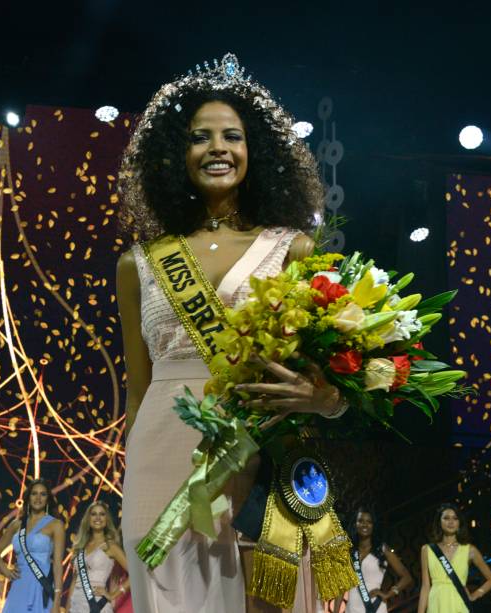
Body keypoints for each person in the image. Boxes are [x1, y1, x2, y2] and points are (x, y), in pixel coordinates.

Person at [117, 52, 347, 612]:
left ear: (256, 151)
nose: (218, 148)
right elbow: (137, 388)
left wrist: (326, 400)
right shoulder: (139, 264)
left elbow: (338, 381)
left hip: (259, 449)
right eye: (200, 136)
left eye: (233, 136)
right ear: (177, 154)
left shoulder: (294, 249)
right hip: (159, 458)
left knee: (275, 594)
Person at [0, 479, 64, 613]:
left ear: (48, 499)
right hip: (19, 584)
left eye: (43, 494)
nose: (38, 498)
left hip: (42, 586)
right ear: (28, 497)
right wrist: (6, 571)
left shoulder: (56, 525)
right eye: (34, 494)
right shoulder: (16, 525)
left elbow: (58, 564)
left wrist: (57, 599)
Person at [417, 503, 491, 613]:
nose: (451, 522)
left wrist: (476, 595)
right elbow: (425, 587)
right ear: (439, 522)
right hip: (436, 605)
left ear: (459, 523)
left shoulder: (469, 550)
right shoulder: (427, 550)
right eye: (446, 518)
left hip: (459, 604)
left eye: (455, 518)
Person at [333, 508, 412, 613]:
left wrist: (389, 593)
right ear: (355, 524)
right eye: (361, 521)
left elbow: (407, 577)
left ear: (373, 526)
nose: (365, 525)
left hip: (375, 607)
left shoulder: (382, 550)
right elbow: (341, 587)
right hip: (352, 609)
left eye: (369, 522)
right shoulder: (349, 552)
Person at [67, 501, 129, 613]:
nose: (98, 518)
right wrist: (67, 609)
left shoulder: (110, 546)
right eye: (94, 514)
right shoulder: (81, 545)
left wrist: (113, 594)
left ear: (107, 519)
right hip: (76, 605)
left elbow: (135, 573)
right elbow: (74, 581)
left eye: (102, 514)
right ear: (88, 519)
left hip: (97, 604)